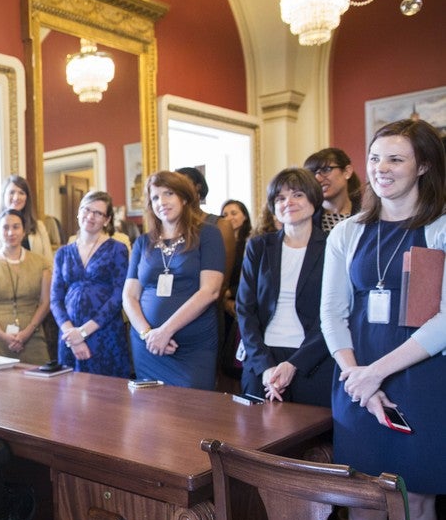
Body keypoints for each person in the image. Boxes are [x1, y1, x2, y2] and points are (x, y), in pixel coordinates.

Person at [320, 118, 446, 520]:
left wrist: (378, 374)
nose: (382, 168)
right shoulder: (347, 231)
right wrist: (359, 377)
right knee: (364, 504)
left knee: (416, 504)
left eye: (396, 158)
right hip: (355, 382)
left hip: (421, 379)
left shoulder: (441, 228)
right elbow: (331, 315)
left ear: (424, 166)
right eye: (375, 158)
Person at [236, 169, 333, 406]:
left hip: (313, 359)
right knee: (253, 437)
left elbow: (335, 312)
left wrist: (296, 364)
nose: (288, 202)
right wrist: (264, 366)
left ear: (313, 199)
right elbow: (244, 309)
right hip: (262, 357)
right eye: (280, 198)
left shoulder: (332, 245)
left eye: (297, 195)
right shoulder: (258, 246)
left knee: (311, 439)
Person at [122, 171, 225, 389]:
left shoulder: (208, 234)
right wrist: (148, 334)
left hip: (192, 347)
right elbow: (129, 296)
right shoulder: (142, 242)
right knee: (149, 412)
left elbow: (211, 291)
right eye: (155, 197)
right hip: (147, 346)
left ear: (185, 197)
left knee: (193, 412)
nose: (162, 202)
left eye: (168, 194)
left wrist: (165, 331)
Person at [50, 191, 131, 377]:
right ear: (79, 212)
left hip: (104, 333)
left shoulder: (117, 249)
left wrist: (84, 332)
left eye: (98, 213)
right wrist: (73, 335)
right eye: (86, 209)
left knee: (105, 398)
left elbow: (119, 295)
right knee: (69, 398)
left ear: (107, 219)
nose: (90, 216)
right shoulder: (63, 253)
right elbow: (55, 298)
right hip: (69, 336)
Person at [0, 208, 51, 364]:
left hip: (33, 336)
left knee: (40, 386)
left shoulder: (41, 263)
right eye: (5, 228)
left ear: (24, 231)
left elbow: (45, 302)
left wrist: (27, 332)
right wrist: (1, 333)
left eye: (16, 227)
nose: (11, 232)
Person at [0, 175, 53, 262]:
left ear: (27, 198)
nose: (16, 197)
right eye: (12, 192)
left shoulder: (39, 226)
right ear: (4, 195)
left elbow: (49, 262)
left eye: (21, 193)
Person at [219, 199, 252, 383]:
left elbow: (248, 278)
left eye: (234, 213)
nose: (229, 217)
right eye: (225, 214)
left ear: (244, 216)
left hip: (240, 299)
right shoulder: (220, 242)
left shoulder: (252, 241)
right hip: (221, 301)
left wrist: (230, 294)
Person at [303, 147, 362, 233]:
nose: (318, 178)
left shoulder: (366, 216)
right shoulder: (305, 218)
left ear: (347, 171)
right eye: (312, 173)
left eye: (326, 170)